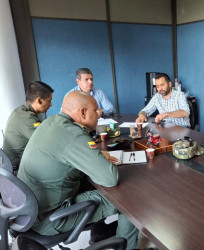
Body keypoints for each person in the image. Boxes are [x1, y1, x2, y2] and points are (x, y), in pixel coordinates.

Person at [17, 91, 139, 249]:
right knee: (129, 198)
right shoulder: (74, 135)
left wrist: (92, 155)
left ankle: (99, 233)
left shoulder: (52, 121)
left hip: (29, 212)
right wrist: (97, 157)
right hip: (51, 219)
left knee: (91, 182)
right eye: (95, 110)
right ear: (82, 112)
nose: (98, 115)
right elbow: (110, 178)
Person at [3, 81, 54, 167]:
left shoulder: (20, 111)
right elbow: (47, 144)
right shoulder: (27, 119)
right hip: (18, 168)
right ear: (39, 100)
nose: (51, 104)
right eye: (49, 101)